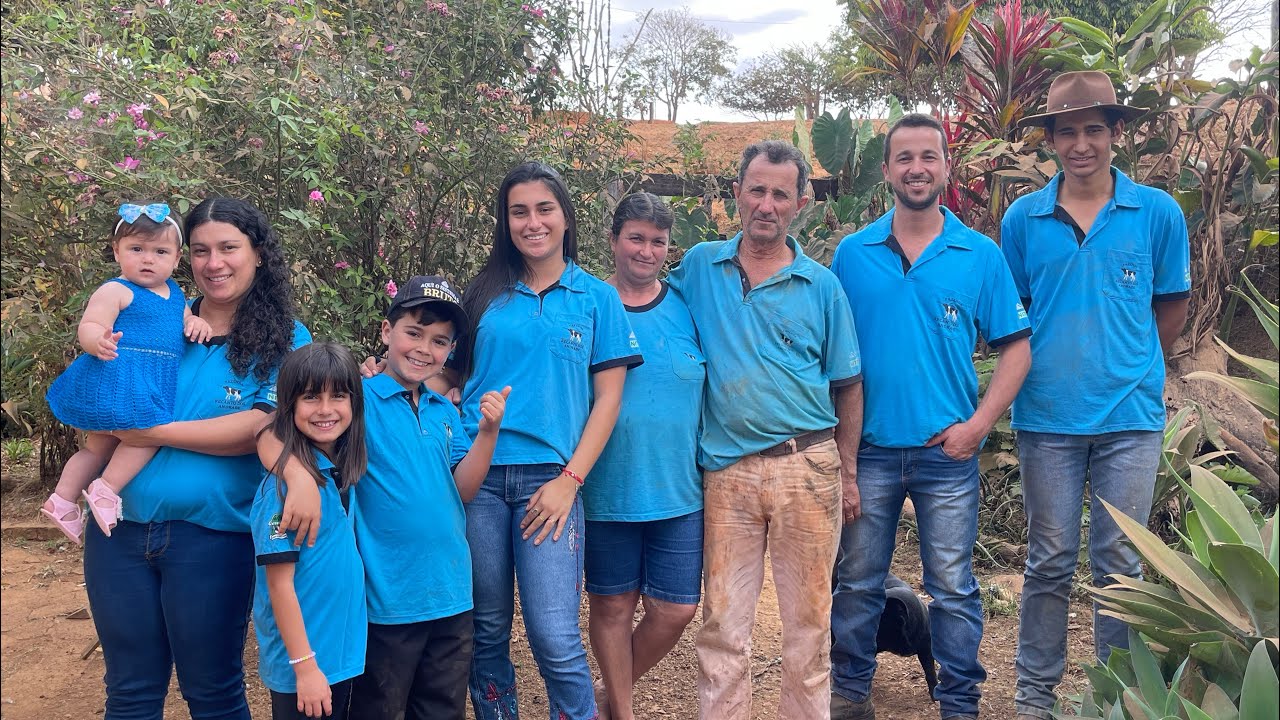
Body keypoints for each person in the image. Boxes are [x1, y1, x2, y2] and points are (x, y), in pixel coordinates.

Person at [829, 113, 1032, 720]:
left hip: (947, 453)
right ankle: (849, 694)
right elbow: (830, 353)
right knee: (859, 582)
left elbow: (1017, 347)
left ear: (946, 166)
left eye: (929, 156)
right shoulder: (852, 254)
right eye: (904, 157)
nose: (917, 168)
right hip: (866, 451)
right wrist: (837, 455)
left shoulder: (980, 255)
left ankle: (960, 701)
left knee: (952, 586)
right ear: (887, 169)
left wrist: (979, 425)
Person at [1002, 71, 1191, 720]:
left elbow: (1170, 305)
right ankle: (1034, 697)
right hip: (1047, 416)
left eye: (1093, 130)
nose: (1081, 144)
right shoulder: (1023, 219)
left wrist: (1134, 364)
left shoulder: (1158, 213)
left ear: (1116, 133)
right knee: (1049, 560)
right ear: (1050, 140)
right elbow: (1017, 313)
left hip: (1130, 421)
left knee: (1120, 566)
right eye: (1066, 132)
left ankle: (1118, 697)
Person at [83, 196, 312, 718]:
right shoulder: (153, 321)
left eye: (229, 248)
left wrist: (148, 432)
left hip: (211, 539)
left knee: (212, 690)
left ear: (258, 253)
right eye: (202, 251)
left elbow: (257, 426)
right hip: (116, 532)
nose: (215, 263)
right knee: (130, 691)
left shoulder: (287, 341)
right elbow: (97, 406)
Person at [667, 140, 863, 720]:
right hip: (727, 472)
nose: (767, 204)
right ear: (737, 195)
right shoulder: (701, 267)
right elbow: (647, 304)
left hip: (807, 464)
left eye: (781, 193)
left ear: (800, 203)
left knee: (808, 623)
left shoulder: (821, 286)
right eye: (757, 190)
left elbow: (848, 384)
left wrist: (847, 472)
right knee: (723, 623)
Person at [451, 162, 642, 720]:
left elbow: (608, 400)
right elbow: (448, 374)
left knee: (555, 635)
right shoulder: (484, 293)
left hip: (551, 484)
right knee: (485, 629)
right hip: (476, 476)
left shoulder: (597, 297)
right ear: (504, 221)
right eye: (519, 212)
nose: (532, 222)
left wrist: (570, 481)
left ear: (564, 216)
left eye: (544, 209)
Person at [584, 193, 705, 720]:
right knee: (612, 606)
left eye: (657, 241)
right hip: (607, 486)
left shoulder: (686, 306)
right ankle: (624, 715)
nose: (646, 250)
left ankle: (607, 701)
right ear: (613, 241)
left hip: (680, 488)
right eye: (635, 237)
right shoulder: (589, 304)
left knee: (676, 609)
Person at [42, 202, 212, 543]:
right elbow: (89, 324)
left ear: (176, 258)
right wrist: (97, 341)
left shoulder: (175, 295)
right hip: (120, 379)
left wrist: (193, 321)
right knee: (148, 435)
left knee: (97, 448)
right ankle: (106, 490)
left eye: (160, 251)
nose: (148, 259)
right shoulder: (116, 290)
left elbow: (180, 321)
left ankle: (62, 500)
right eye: (137, 249)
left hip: (147, 380)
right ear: (117, 251)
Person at [251, 343, 368, 720]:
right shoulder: (282, 489)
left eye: (338, 395)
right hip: (304, 666)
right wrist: (304, 667)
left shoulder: (335, 473)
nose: (325, 409)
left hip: (340, 656)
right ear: (288, 404)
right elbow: (279, 584)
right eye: (310, 396)